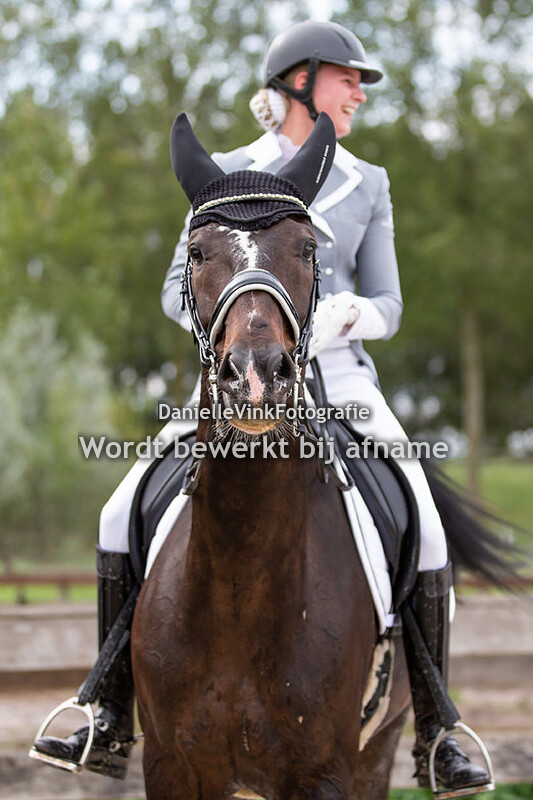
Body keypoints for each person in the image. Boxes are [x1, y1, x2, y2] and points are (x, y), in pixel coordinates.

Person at [32, 20, 491, 795]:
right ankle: (108, 709)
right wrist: (231, 324)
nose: (357, 92)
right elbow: (178, 291)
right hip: (228, 371)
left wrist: (346, 317)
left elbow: (389, 300)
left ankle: (436, 729)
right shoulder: (222, 175)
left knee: (426, 515)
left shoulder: (365, 180)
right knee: (119, 510)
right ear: (298, 82)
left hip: (338, 378)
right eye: (348, 77)